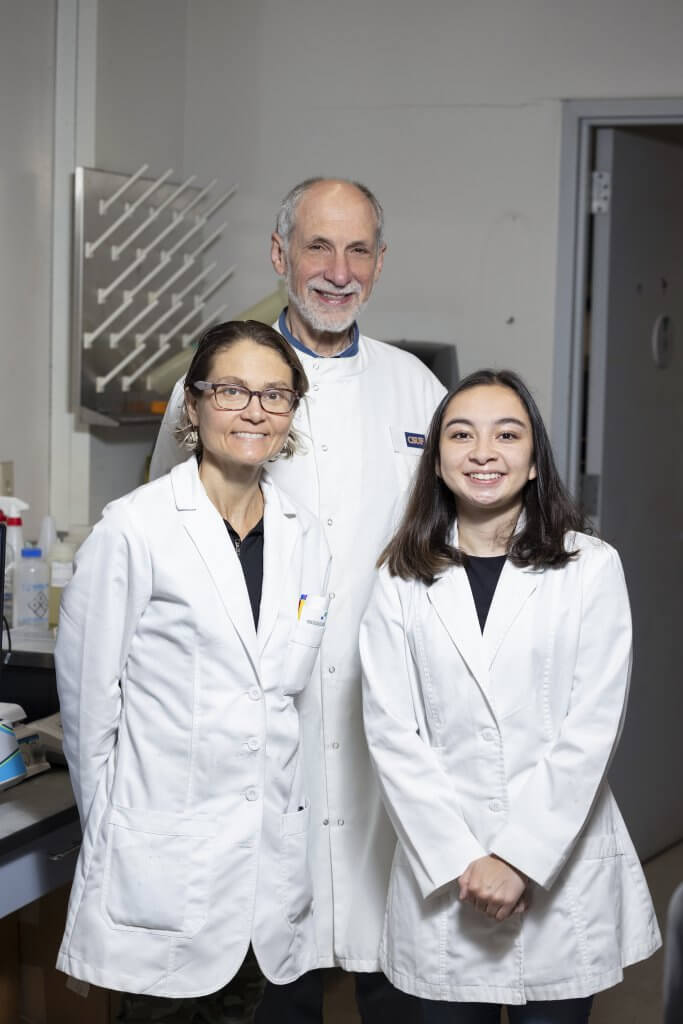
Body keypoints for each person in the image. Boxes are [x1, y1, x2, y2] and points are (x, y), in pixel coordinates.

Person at [150, 178, 445, 1021]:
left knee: (398, 967)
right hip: (261, 716)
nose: (337, 271)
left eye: (358, 251)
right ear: (280, 255)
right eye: (318, 246)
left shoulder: (415, 389)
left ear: (380, 265)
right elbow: (175, 552)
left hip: (386, 713)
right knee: (278, 968)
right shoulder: (213, 388)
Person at [360, 369, 661, 1023]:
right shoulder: (398, 578)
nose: (482, 451)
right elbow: (390, 731)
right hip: (443, 871)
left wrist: (518, 858)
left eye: (506, 433)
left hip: (556, 867)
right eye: (461, 434)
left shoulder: (590, 568)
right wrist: (463, 858)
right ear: (437, 461)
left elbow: (591, 726)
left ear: (531, 462)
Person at [55, 321, 331, 1013]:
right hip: (161, 867)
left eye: (275, 395)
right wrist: (125, 846)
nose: (254, 411)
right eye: (231, 390)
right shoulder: (134, 529)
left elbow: (285, 706)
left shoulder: (304, 535)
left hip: (265, 874)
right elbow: (90, 716)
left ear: (292, 412)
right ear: (193, 404)